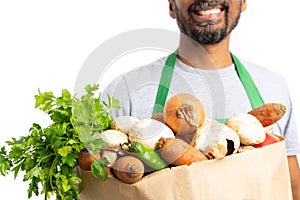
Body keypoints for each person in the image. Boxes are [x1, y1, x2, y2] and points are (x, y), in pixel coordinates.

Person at [103, 0, 300, 198]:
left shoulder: (274, 87)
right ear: (171, 6)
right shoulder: (126, 92)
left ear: (243, 2)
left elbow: (291, 185)